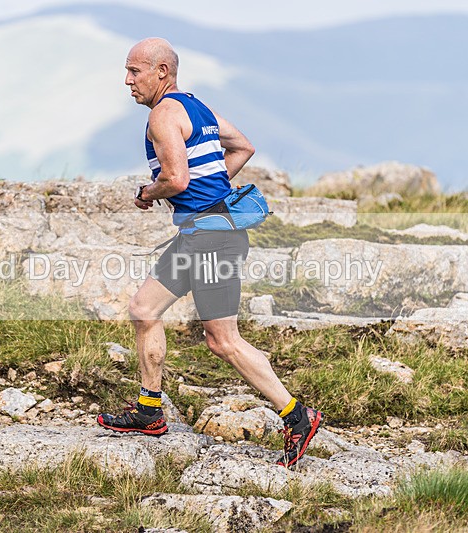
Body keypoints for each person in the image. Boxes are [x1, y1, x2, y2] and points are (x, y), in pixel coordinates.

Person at [96, 38, 323, 468]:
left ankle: (297, 416)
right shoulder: (197, 108)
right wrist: (214, 192)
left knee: (223, 341)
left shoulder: (163, 115)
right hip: (202, 234)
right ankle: (149, 410)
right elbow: (243, 147)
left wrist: (148, 192)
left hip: (212, 240)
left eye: (134, 71)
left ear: (162, 72)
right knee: (144, 309)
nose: (127, 81)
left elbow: (176, 179)